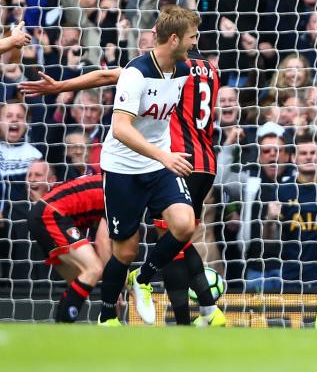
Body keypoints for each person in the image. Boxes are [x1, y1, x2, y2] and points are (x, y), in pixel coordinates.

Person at [22, 47, 222, 327]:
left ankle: (163, 300)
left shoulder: (171, 69)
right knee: (174, 238)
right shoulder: (210, 70)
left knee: (172, 240)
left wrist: (61, 86)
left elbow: (109, 75)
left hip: (171, 159)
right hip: (203, 163)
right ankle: (205, 310)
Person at [91, 6, 224, 327]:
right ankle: (107, 316)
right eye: (192, 37)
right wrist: (59, 88)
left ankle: (145, 279)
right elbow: (120, 128)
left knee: (184, 225)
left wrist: (163, 157)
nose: (196, 43)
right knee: (124, 251)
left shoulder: (180, 71)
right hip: (124, 167)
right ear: (175, 38)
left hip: (162, 164)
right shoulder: (137, 73)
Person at [26, 173, 110, 323]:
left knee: (79, 280)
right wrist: (118, 287)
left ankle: (60, 331)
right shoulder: (118, 190)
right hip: (50, 215)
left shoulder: (110, 181)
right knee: (94, 269)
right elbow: (102, 242)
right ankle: (63, 328)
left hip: (45, 214)